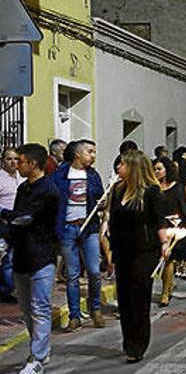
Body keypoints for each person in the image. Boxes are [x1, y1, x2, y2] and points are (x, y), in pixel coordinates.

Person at [106, 150, 170, 363]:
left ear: (133, 167)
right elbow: (112, 219)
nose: (118, 168)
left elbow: (159, 220)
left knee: (139, 296)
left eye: (122, 164)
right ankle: (128, 341)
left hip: (145, 250)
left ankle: (138, 344)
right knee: (123, 298)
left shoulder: (151, 191)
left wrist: (164, 243)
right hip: (122, 250)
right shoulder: (116, 190)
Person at [6, 144, 60, 374]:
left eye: (20, 161)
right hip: (21, 255)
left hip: (42, 256)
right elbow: (15, 222)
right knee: (27, 310)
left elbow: (25, 218)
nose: (16, 165)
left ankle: (37, 357)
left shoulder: (49, 190)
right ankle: (41, 349)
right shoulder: (23, 189)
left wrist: (2, 214)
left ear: (33, 163)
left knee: (40, 308)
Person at [50, 139, 106, 331]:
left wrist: (102, 203)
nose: (93, 155)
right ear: (78, 154)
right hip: (67, 229)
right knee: (72, 275)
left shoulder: (93, 175)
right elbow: (52, 199)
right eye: (90, 151)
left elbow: (100, 195)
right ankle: (75, 316)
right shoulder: (60, 175)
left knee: (94, 271)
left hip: (88, 228)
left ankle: (95, 308)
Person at [154, 157, 186, 307]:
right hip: (157, 227)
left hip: (175, 227)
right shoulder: (152, 188)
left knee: (168, 258)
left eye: (159, 169)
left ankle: (165, 293)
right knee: (160, 259)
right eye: (155, 169)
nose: (156, 172)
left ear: (167, 170)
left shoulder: (177, 187)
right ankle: (168, 283)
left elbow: (183, 207)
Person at [0, 147, 23, 303]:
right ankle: (6, 290)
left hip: (21, 224)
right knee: (6, 258)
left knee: (16, 257)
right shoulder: (1, 178)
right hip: (4, 224)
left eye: (16, 159)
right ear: (3, 161)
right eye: (9, 159)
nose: (13, 162)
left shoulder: (22, 177)